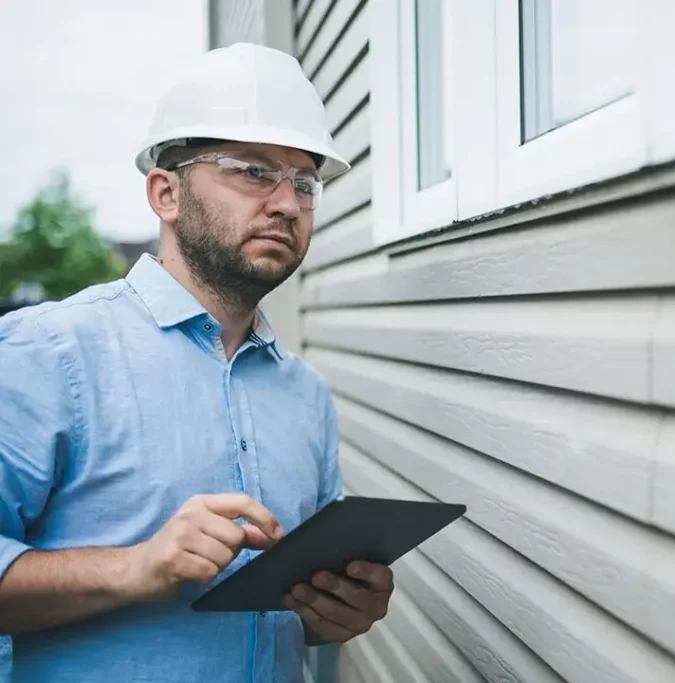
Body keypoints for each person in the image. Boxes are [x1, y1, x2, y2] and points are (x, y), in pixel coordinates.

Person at [0, 43, 392, 682]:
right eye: (253, 171)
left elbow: (306, 611)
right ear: (166, 194)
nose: (288, 204)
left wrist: (338, 610)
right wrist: (134, 569)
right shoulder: (45, 354)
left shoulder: (305, 394)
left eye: (304, 182)